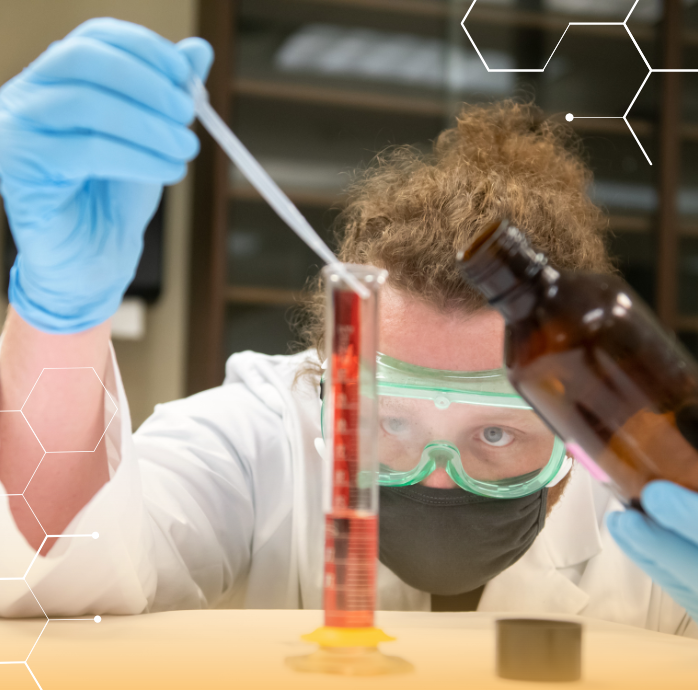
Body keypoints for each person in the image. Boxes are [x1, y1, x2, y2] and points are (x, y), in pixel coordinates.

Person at [0, 18, 696, 635]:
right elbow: (63, 581)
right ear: (328, 378)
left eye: (495, 431)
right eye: (387, 422)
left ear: (574, 428)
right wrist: (61, 314)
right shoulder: (264, 438)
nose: (438, 480)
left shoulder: (658, 505)